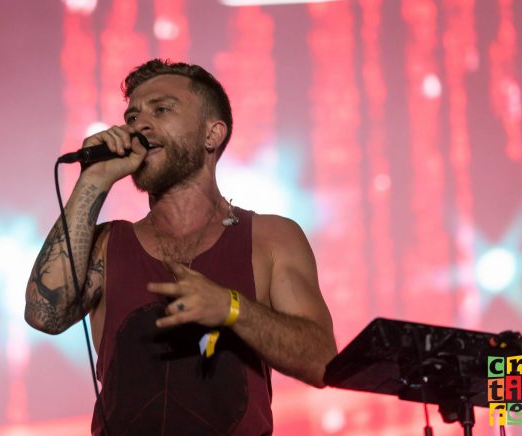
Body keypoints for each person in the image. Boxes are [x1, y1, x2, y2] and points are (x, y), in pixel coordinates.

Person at [25, 59, 337, 435]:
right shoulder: (108, 243)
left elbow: (322, 363)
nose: (139, 124)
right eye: (133, 115)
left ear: (212, 135)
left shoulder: (271, 238)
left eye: (161, 109)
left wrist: (231, 308)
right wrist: (94, 180)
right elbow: (44, 314)